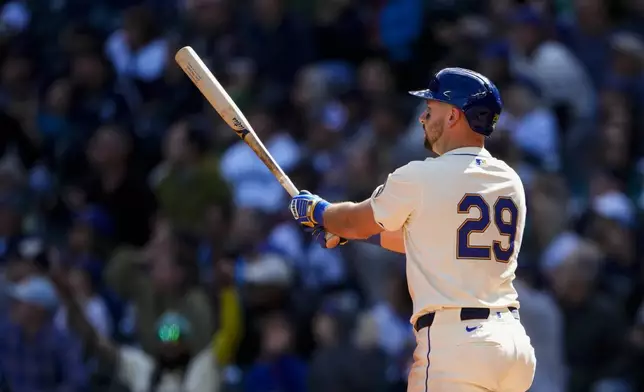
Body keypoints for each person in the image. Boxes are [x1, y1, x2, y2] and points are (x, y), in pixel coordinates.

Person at [289, 68, 536, 391]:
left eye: (431, 109)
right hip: (512, 345)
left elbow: (353, 219)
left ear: (452, 116)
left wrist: (318, 211)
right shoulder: (509, 180)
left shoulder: (421, 176)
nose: (423, 118)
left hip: (456, 346)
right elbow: (426, 239)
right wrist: (350, 232)